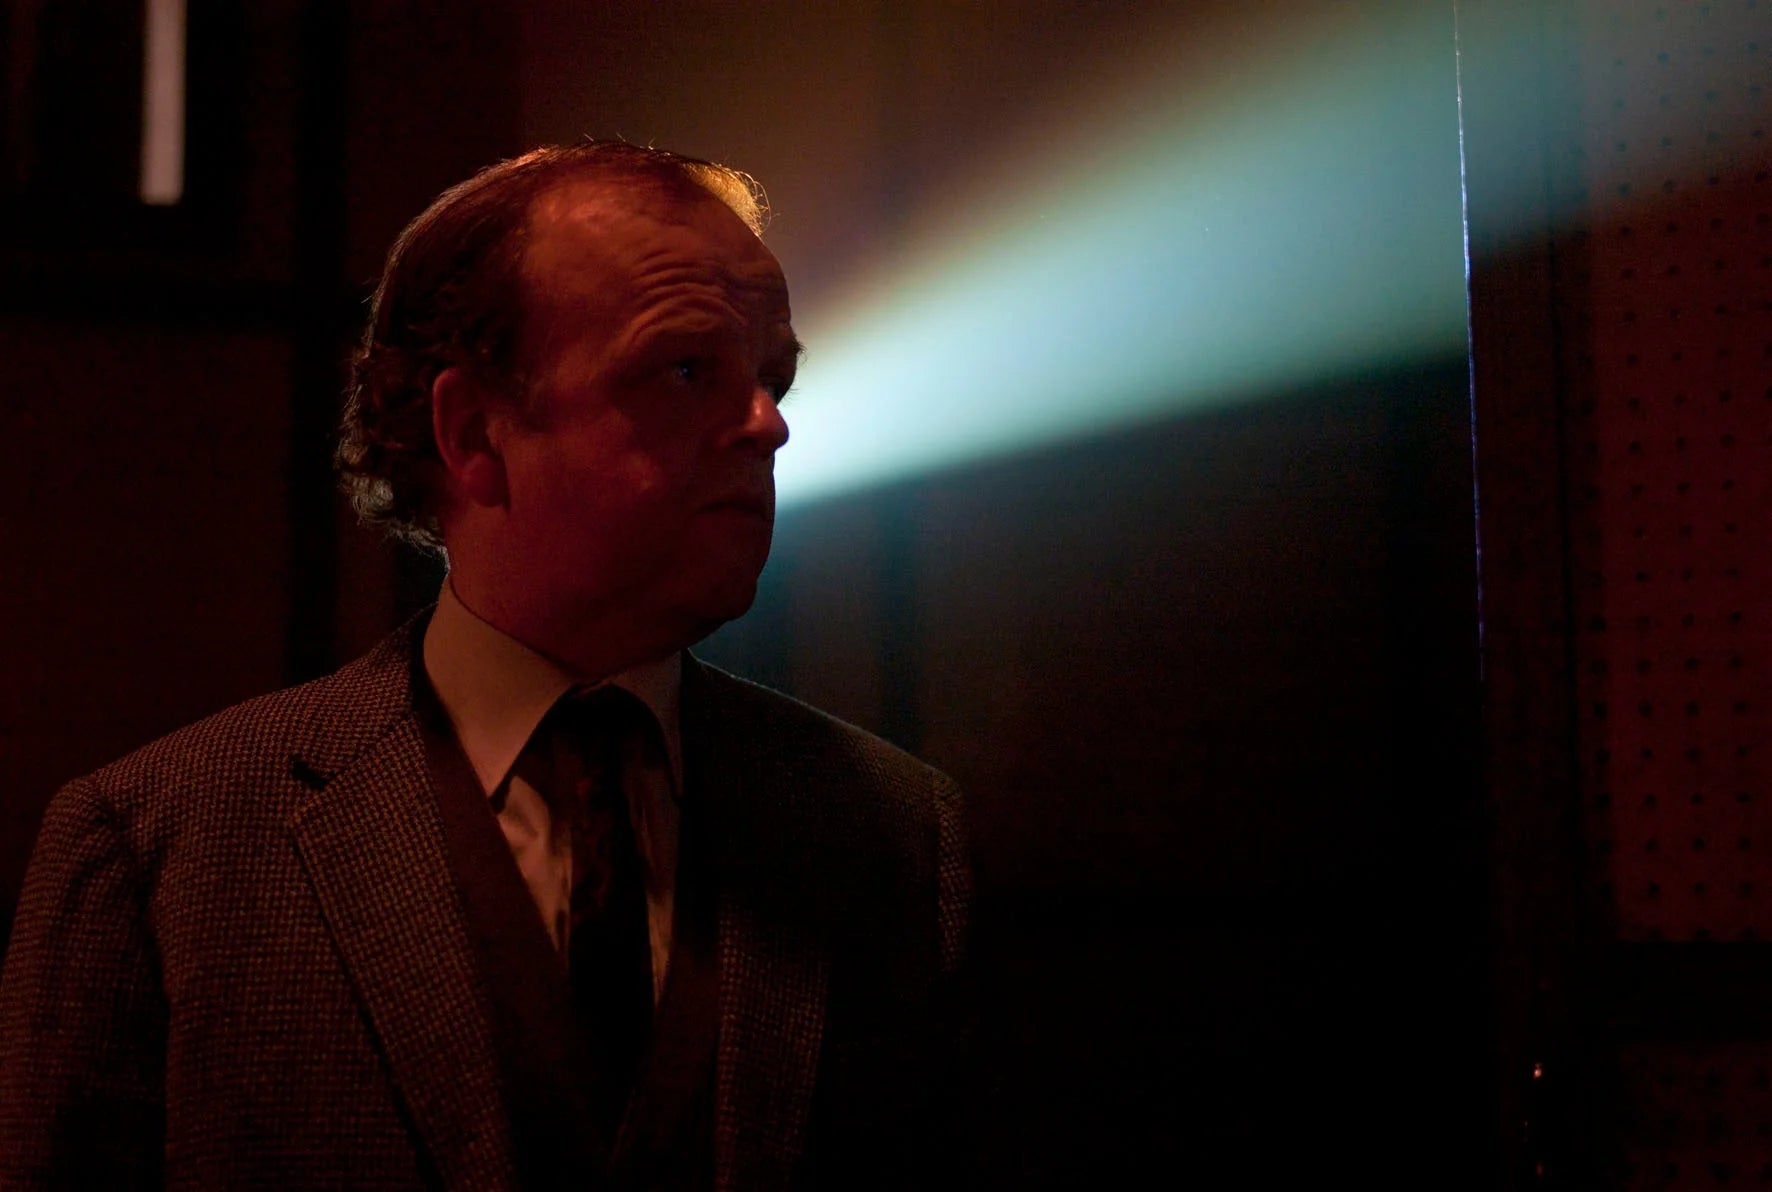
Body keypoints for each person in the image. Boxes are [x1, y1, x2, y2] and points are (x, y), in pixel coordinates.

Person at [0, 143, 971, 1189]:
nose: (766, 424)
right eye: (686, 370)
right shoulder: (159, 847)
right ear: (473, 432)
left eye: (771, 378)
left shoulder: (893, 832)